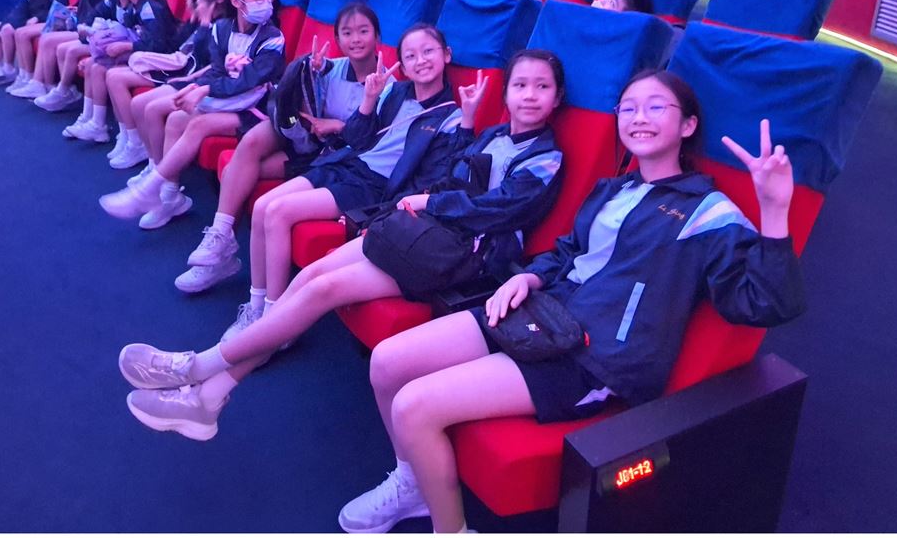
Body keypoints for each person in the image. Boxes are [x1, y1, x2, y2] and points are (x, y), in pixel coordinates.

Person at [337, 71, 806, 533]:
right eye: (628, 108)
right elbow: (568, 251)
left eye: (655, 107)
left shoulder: (708, 212)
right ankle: (414, 484)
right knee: (388, 362)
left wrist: (775, 211)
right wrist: (528, 278)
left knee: (414, 406)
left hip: (594, 357)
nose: (639, 117)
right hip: (541, 312)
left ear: (688, 125)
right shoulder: (613, 188)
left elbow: (764, 304)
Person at [116, 50, 569, 449]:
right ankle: (209, 397)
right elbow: (452, 174)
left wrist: (431, 202)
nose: (530, 95)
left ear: (557, 97)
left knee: (321, 290)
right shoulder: (492, 135)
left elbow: (498, 209)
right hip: (426, 231)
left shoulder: (548, 157)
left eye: (542, 87)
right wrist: (464, 133)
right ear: (506, 93)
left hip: (465, 254)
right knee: (310, 277)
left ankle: (198, 369)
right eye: (520, 85)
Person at [175, 3, 387, 292]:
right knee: (246, 156)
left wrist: (335, 125)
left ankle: (224, 255)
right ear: (337, 39)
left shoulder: (388, 85)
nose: (356, 39)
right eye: (347, 33)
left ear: (377, 36)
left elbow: (369, 140)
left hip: (336, 159)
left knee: (245, 173)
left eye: (363, 31)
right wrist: (310, 74)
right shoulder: (329, 67)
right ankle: (220, 245)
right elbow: (303, 99)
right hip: (306, 143)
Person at [98, 0, 286, 230]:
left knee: (198, 123)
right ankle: (169, 196)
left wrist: (203, 89)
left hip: (258, 108)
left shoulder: (273, 38)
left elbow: (249, 81)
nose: (265, 3)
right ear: (236, 1)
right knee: (176, 118)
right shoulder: (221, 29)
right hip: (230, 100)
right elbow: (217, 71)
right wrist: (195, 86)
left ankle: (147, 189)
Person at [103, 0, 231, 170]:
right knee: (115, 78)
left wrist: (204, 22)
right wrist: (194, 18)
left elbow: (205, 58)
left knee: (144, 104)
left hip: (189, 74)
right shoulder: (204, 17)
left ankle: (156, 166)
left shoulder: (224, 24)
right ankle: (137, 146)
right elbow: (177, 44)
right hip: (182, 67)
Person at [65, 0, 178, 143]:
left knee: (106, 73)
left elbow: (158, 45)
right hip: (143, 57)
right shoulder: (133, 6)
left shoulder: (149, 8)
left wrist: (126, 46)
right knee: (94, 65)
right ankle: (99, 124)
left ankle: (132, 138)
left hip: (162, 64)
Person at [12, 0, 116, 101]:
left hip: (90, 32)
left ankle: (53, 87)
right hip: (82, 26)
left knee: (48, 40)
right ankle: (43, 84)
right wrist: (75, 10)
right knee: (41, 37)